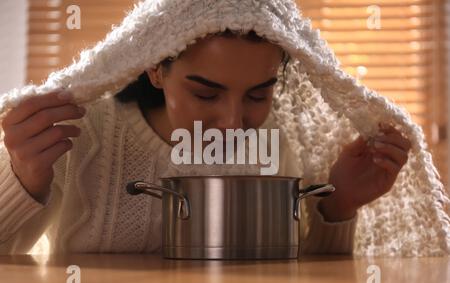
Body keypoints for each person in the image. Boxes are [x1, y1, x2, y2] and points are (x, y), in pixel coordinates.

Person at [0, 0, 447, 256]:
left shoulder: (279, 141)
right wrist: (23, 179)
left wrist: (338, 205)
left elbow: (302, 281)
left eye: (258, 95)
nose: (234, 123)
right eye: (206, 94)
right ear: (156, 69)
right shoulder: (82, 131)